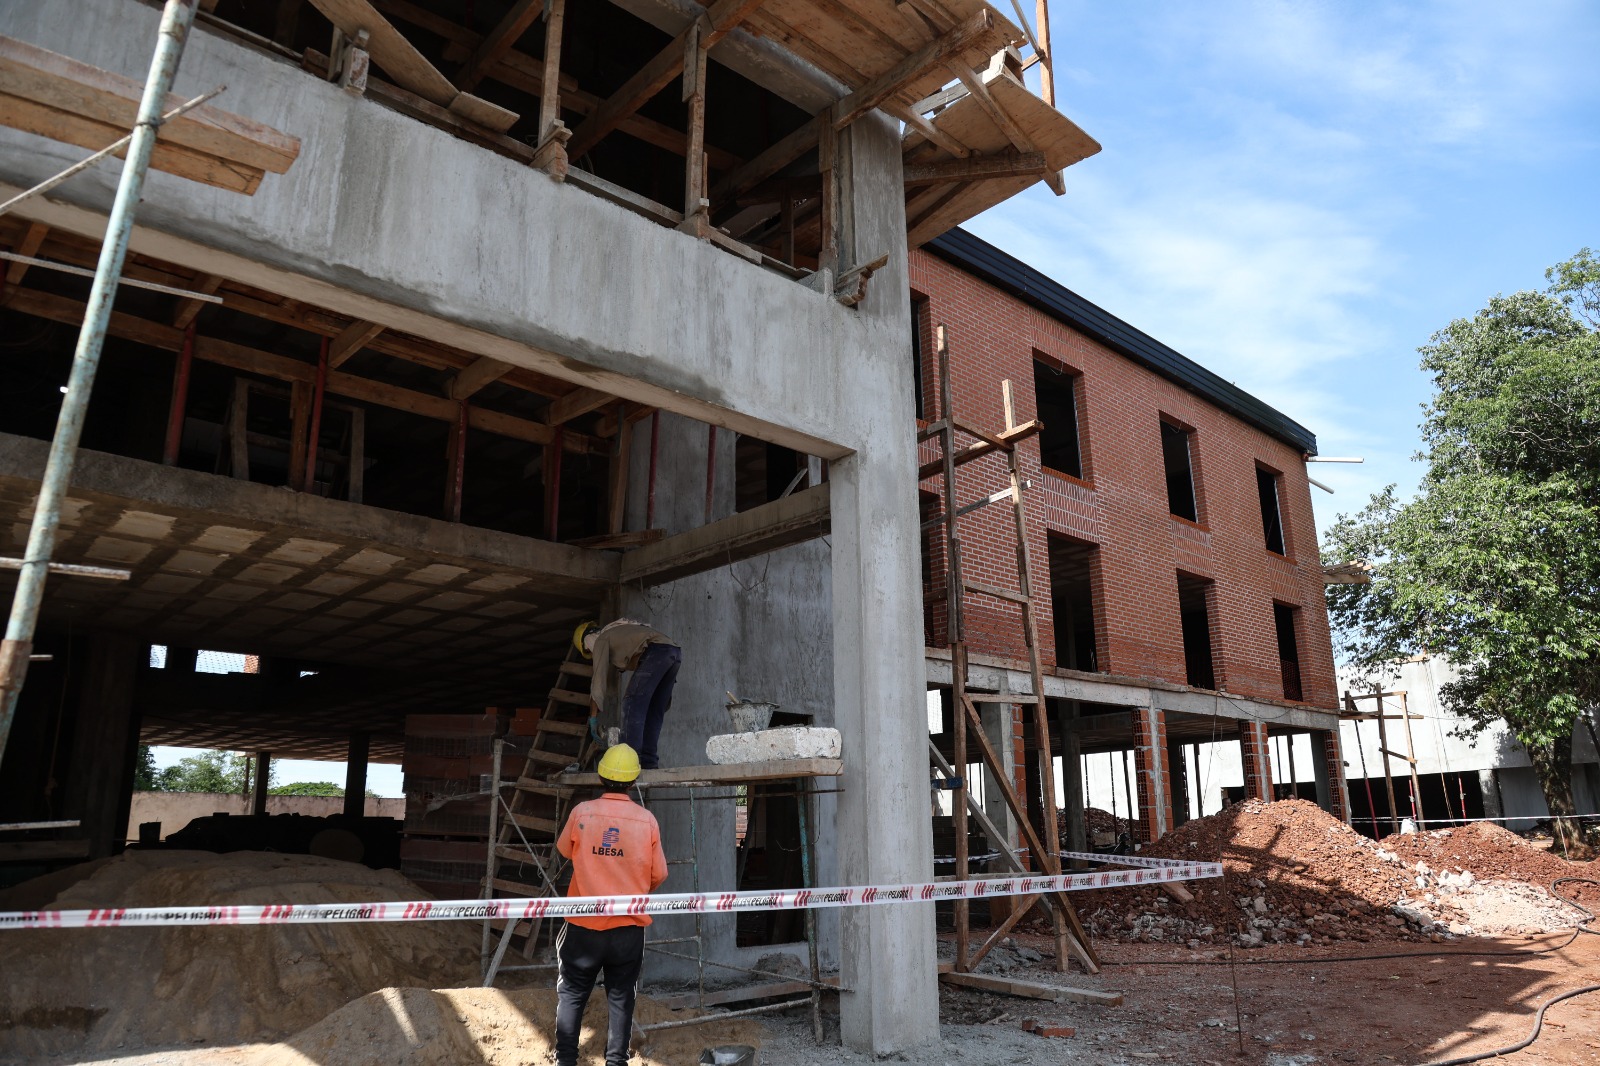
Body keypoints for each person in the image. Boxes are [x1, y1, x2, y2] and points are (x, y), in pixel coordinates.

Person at [553, 743, 668, 1066]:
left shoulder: (582, 813)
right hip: (627, 930)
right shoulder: (646, 820)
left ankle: (566, 1060)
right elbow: (659, 873)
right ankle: (616, 1061)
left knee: (573, 993)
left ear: (601, 776)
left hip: (582, 926)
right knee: (621, 997)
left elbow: (565, 851)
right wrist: (633, 884)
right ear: (633, 782)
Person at [575, 618, 681, 770]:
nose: (591, 652)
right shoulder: (620, 631)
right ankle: (649, 763)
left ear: (588, 638)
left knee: (632, 703)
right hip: (674, 652)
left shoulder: (601, 639)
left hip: (656, 651)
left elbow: (598, 679)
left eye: (587, 649)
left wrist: (592, 718)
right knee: (653, 711)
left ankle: (630, 762)